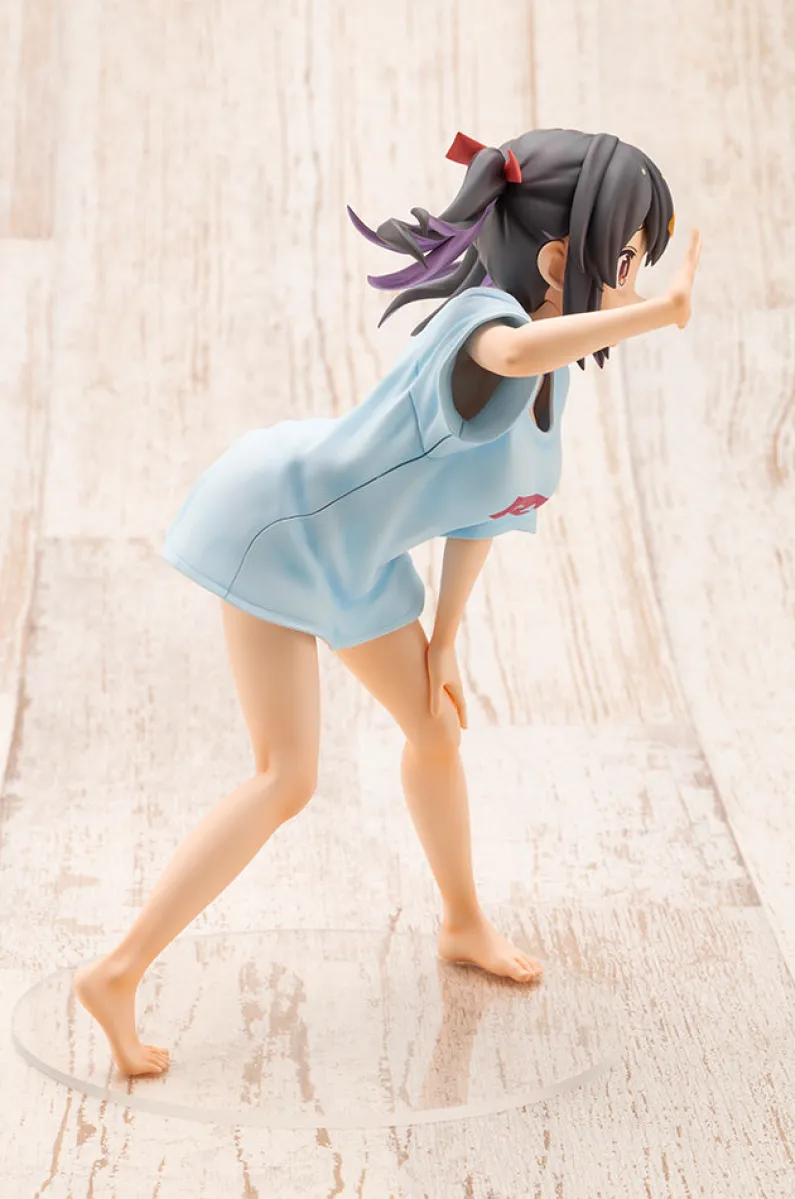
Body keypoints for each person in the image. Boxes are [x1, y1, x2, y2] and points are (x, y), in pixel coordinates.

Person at [73, 128, 702, 1077]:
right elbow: (515, 349)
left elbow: (482, 509)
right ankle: (116, 972)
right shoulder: (487, 329)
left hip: (359, 556)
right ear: (558, 260)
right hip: (281, 522)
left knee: (437, 730)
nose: (633, 283)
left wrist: (444, 640)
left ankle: (462, 920)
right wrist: (659, 317)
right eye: (624, 263)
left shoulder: (549, 384)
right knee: (286, 778)